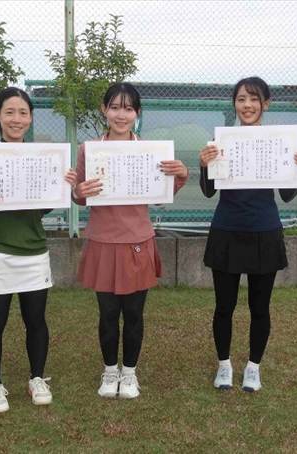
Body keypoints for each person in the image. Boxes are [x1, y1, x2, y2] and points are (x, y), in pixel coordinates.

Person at [0, 87, 77, 413]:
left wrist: (60, 187)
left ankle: (37, 378)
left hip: (33, 251)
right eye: (9, 112)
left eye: (23, 113)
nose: (16, 119)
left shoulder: (42, 157)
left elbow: (40, 210)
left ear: (30, 118)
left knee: (36, 320)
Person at [72, 82, 188, 399]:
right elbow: (80, 195)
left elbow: (160, 196)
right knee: (108, 314)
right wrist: (77, 192)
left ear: (137, 113)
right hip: (102, 242)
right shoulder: (89, 150)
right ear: (104, 110)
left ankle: (130, 373)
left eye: (128, 108)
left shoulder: (149, 152)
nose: (120, 115)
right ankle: (110, 371)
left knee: (134, 314)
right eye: (114, 107)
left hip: (138, 241)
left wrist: (180, 175)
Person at [199, 77, 297, 392]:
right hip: (227, 230)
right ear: (234, 104)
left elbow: (287, 195)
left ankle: (253, 367)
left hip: (264, 230)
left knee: (260, 308)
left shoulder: (279, 141)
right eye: (241, 99)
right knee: (224, 306)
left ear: (266, 103)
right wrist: (204, 165)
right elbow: (208, 191)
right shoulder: (221, 140)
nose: (247, 105)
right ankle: (224, 365)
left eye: (253, 99)